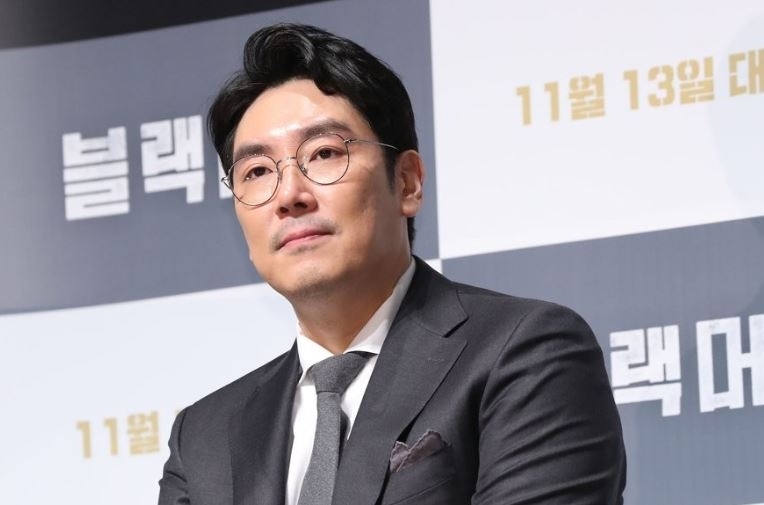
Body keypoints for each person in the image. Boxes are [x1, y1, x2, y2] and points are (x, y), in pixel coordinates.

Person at [158, 23, 626, 505]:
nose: (289, 195)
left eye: (323, 154)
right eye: (256, 171)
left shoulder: (525, 352)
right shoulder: (204, 436)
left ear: (407, 182)